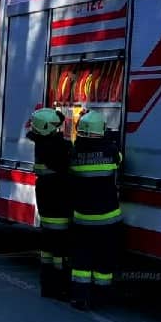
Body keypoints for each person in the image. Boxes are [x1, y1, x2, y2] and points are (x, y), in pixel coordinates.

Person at [68, 109, 123, 310]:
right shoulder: (110, 151)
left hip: (83, 218)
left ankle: (79, 297)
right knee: (104, 261)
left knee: (82, 259)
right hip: (108, 219)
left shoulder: (74, 154)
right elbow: (120, 159)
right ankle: (101, 298)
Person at [27, 107, 73, 300]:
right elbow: (69, 161)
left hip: (46, 196)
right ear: (47, 128)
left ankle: (47, 287)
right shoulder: (56, 147)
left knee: (48, 247)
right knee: (61, 249)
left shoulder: (41, 141)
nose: (58, 128)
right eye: (55, 126)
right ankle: (60, 287)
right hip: (57, 197)